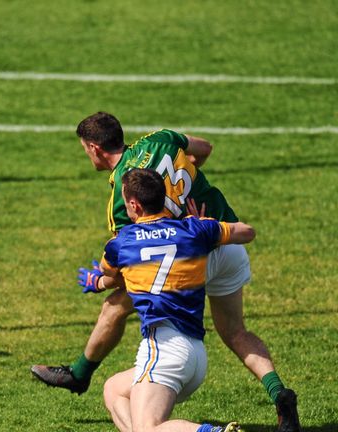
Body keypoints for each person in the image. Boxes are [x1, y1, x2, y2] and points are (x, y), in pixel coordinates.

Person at [30, 112, 300, 431]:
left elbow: (126, 266)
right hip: (224, 241)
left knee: (115, 304)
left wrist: (99, 280)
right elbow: (205, 149)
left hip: (186, 258)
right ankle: (279, 394)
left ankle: (79, 373)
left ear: (94, 148)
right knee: (235, 331)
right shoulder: (161, 139)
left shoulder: (121, 196)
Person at [84, 168, 253, 432]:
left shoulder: (121, 242)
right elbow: (247, 232)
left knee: (150, 428)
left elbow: (111, 276)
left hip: (163, 347)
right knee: (114, 390)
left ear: (133, 204)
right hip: (195, 354)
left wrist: (95, 282)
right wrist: (207, 224)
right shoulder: (195, 229)